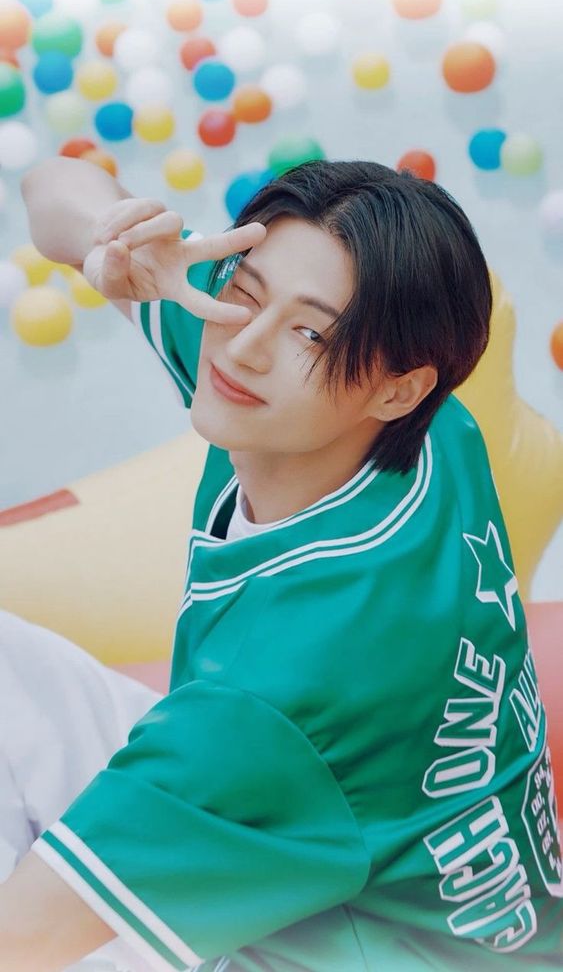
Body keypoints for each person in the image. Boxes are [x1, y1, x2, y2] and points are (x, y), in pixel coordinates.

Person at [2, 155, 562, 972]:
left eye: (310, 333)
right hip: (358, 858)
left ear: (398, 390)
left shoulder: (279, 696)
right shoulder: (421, 427)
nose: (244, 346)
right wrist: (113, 241)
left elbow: (20, 941)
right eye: (245, 289)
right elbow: (51, 185)